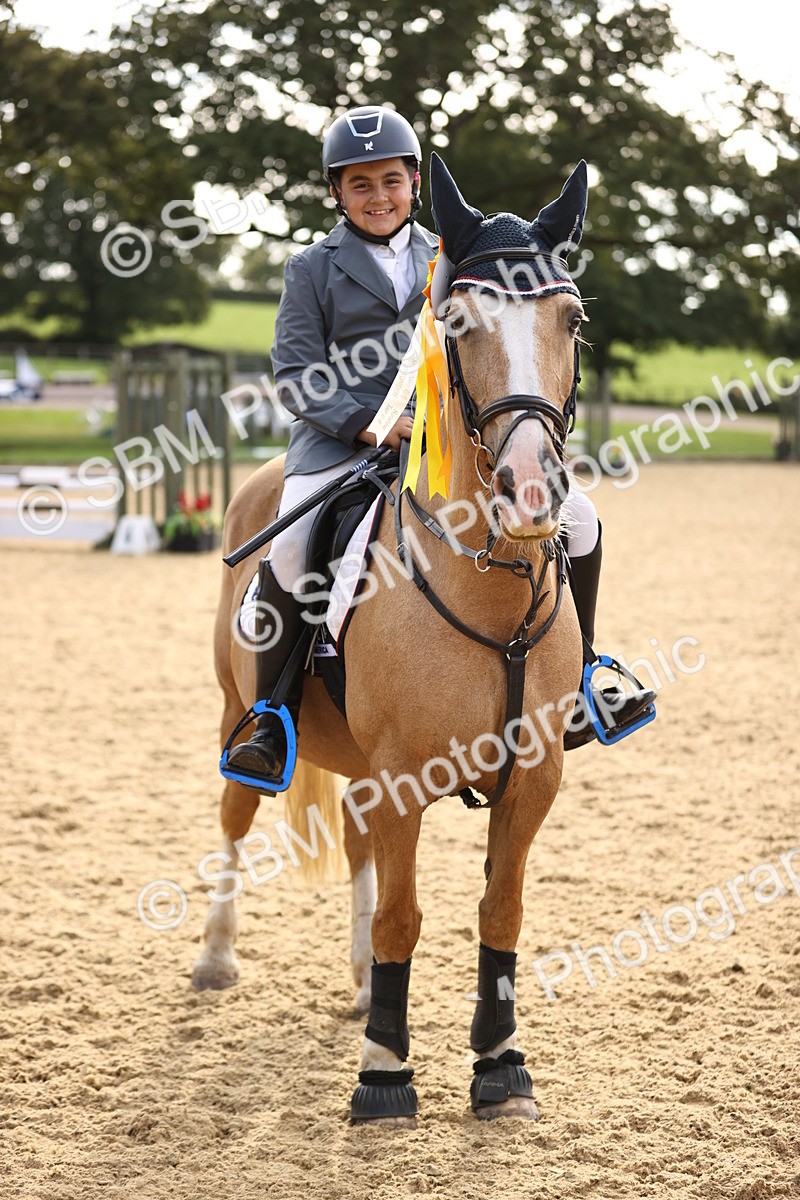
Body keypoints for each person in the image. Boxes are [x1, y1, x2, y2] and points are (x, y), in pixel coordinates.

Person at [226, 105, 653, 786]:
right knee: (292, 545)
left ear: (414, 183)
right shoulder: (311, 267)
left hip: (451, 444)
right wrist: (371, 423)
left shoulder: (456, 253)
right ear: (336, 192)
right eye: (359, 185)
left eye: (390, 181)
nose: (377, 197)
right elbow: (298, 373)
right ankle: (273, 715)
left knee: (580, 520)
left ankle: (586, 672)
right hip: (341, 445)